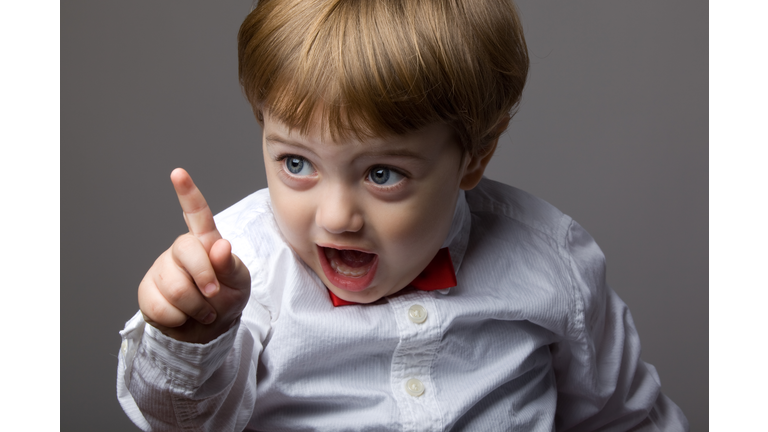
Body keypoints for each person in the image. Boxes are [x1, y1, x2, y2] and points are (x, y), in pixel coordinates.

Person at [117, 0, 689, 430]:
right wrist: (192, 340)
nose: (337, 217)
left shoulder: (549, 259)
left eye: (382, 174)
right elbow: (178, 422)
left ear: (474, 156)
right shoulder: (240, 271)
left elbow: (629, 417)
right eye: (297, 162)